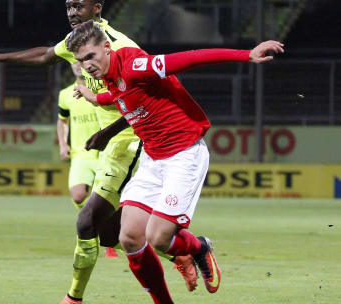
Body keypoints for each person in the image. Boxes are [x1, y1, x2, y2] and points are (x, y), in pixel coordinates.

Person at [0, 1, 198, 302]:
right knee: (114, 235)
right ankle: (186, 248)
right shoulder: (79, 41)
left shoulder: (120, 45)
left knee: (87, 220)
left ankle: (74, 298)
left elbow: (148, 98)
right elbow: (47, 55)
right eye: (68, 6)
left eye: (79, 6)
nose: (71, 12)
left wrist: (107, 132)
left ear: (97, 8)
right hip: (110, 146)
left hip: (131, 141)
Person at [69, 20, 284, 303]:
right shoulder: (111, 75)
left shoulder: (135, 66)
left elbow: (188, 59)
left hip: (184, 155)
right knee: (130, 237)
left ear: (107, 48)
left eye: (90, 56)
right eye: (81, 60)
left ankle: (198, 247)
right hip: (153, 158)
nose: (86, 65)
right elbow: (119, 95)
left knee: (158, 238)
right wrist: (94, 97)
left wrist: (246, 54)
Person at [57, 64, 119, 258]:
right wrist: (62, 144)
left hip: (104, 154)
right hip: (80, 155)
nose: (77, 65)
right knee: (77, 195)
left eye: (81, 62)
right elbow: (62, 120)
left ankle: (104, 234)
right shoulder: (65, 94)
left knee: (105, 200)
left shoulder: (101, 91)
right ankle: (96, 225)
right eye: (73, 61)